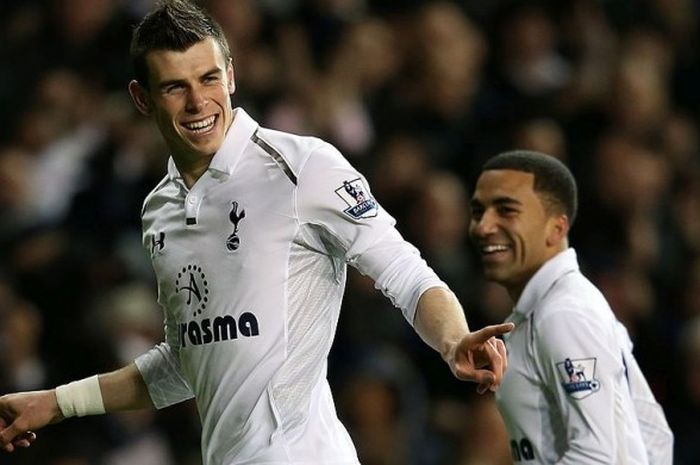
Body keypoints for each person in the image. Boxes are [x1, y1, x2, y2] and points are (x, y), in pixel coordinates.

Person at [0, 1, 513, 464]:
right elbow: (191, 361)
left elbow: (404, 271)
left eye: (208, 79)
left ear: (232, 75)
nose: (199, 103)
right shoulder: (159, 209)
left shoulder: (303, 167)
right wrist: (55, 403)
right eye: (176, 86)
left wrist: (454, 339)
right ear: (142, 98)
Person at [468, 150, 673, 464]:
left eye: (506, 211)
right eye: (479, 211)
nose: (483, 227)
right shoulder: (559, 306)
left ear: (557, 228)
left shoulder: (563, 314)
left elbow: (596, 457)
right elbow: (654, 432)